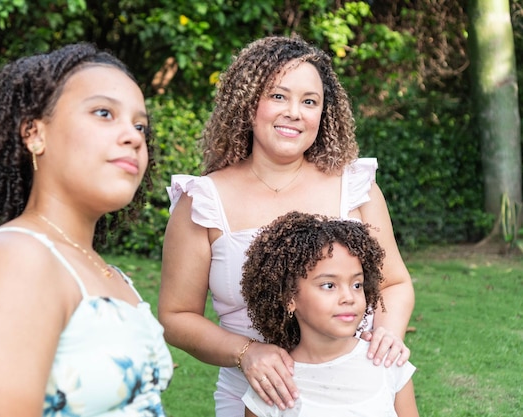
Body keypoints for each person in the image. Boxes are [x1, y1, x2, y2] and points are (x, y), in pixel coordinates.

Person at [159, 34, 415, 417]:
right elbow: (176, 316)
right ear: (247, 105)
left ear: (323, 113)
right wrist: (246, 353)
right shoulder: (203, 202)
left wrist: (385, 339)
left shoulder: (355, 186)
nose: (295, 112)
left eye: (309, 101)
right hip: (257, 394)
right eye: (279, 96)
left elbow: (395, 282)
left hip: (357, 385)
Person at [0, 43, 173, 416]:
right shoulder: (16, 260)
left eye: (140, 124)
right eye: (103, 113)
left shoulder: (109, 275)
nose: (134, 136)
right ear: (35, 133)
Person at [240, 211, 419, 417]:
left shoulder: (388, 364)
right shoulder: (272, 385)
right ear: (289, 298)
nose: (348, 297)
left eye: (357, 284)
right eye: (329, 285)